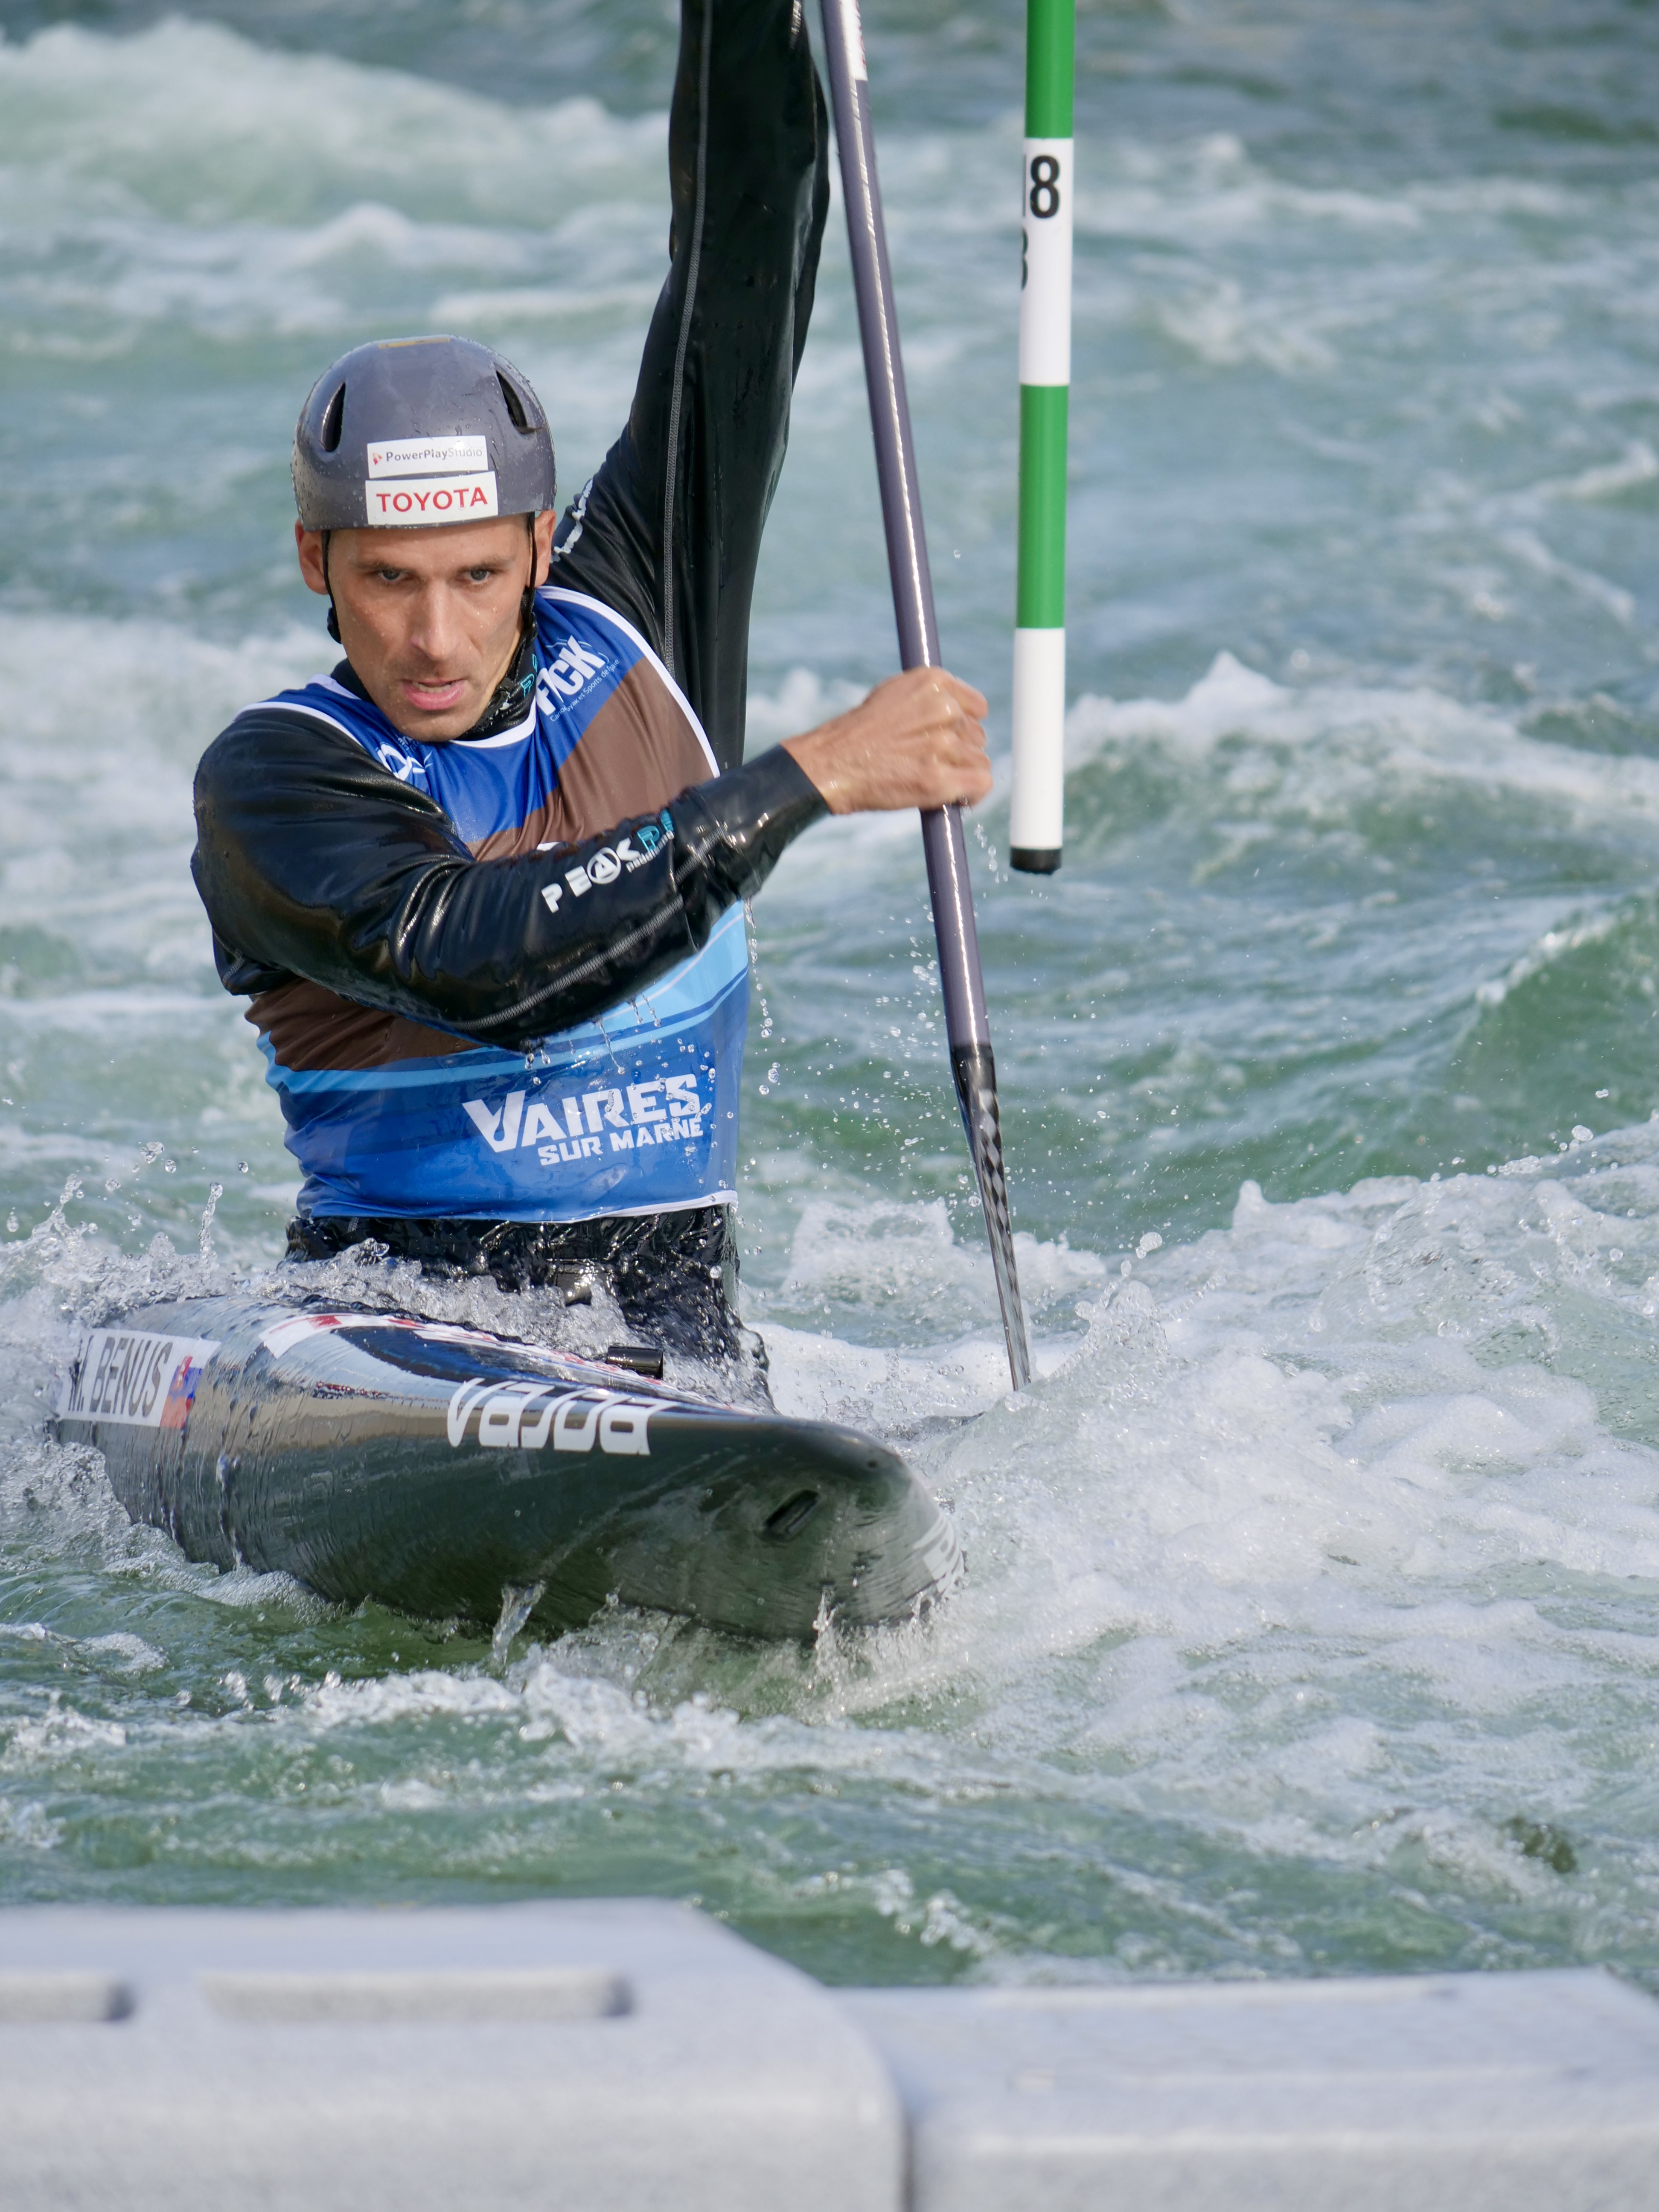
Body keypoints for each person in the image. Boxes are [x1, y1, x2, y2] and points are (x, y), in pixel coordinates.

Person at [190, 0, 990, 1381]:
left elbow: (744, 252)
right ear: (315, 560)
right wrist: (810, 776)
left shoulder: (635, 625)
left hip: (686, 1354)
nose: (434, 637)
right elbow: (482, 963)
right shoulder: (274, 777)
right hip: (397, 1347)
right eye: (387, 581)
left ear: (541, 546)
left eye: (478, 577)